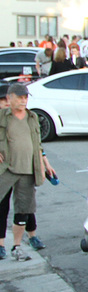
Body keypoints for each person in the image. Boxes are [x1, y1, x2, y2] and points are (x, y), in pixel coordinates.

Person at [0, 84, 55, 260]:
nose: (24, 100)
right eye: (20, 97)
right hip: (6, 169)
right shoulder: (3, 117)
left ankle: (17, 245)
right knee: (2, 206)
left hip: (28, 169)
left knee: (24, 209)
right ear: (10, 98)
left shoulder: (32, 117)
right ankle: (1, 245)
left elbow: (37, 144)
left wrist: (45, 163)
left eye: (26, 97)